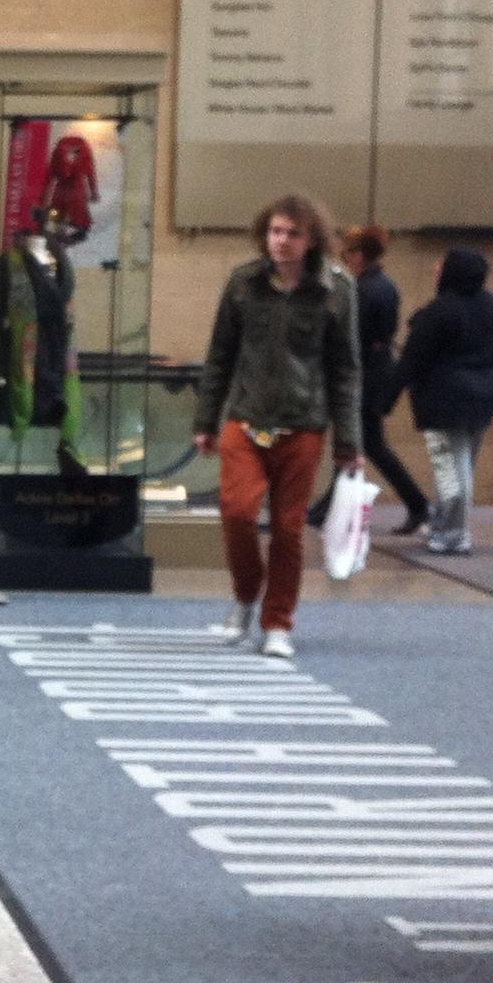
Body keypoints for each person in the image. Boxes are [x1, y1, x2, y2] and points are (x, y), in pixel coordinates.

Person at [193, 194, 362, 659]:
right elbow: (220, 355)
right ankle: (246, 595)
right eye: (275, 232)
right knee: (238, 512)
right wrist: (206, 420)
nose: (281, 241)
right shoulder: (244, 283)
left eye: (292, 233)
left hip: (304, 423)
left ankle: (278, 622)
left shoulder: (336, 289)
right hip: (245, 418)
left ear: (311, 241)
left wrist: (350, 441)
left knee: (289, 529)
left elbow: (346, 370)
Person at [388, 246, 493, 556]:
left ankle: (453, 534)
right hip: (486, 396)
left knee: (451, 470)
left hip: (443, 400)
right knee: (463, 467)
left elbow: (410, 362)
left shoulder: (438, 312)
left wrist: (384, 401)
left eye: (440, 266)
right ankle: (445, 524)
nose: (435, 269)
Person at [308, 226, 427, 537]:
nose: (344, 259)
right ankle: (328, 507)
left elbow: (353, 337)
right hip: (375, 372)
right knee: (362, 443)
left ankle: (417, 504)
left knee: (367, 443)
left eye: (347, 253)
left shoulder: (365, 289)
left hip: (366, 376)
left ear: (358, 255)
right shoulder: (381, 285)